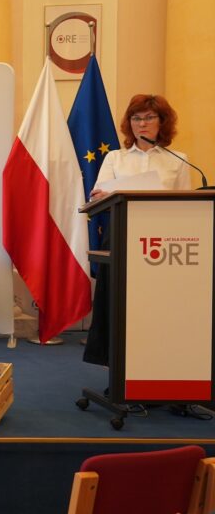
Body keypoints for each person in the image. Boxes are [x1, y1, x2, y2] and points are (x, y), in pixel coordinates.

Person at [84, 94, 191, 367]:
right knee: (118, 304)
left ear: (162, 122)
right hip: (121, 236)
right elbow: (98, 196)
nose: (142, 123)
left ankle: (156, 369)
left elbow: (186, 204)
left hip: (163, 243)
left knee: (155, 306)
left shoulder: (178, 160)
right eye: (136, 118)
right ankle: (118, 374)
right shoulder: (115, 158)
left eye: (149, 117)